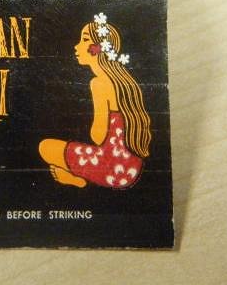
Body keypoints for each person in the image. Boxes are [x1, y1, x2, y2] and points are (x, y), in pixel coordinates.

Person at [39, 14, 151, 188]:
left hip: (111, 169)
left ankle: (77, 180)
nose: (77, 46)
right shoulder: (125, 82)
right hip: (132, 168)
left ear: (98, 47)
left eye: (84, 40)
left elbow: (98, 137)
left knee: (45, 147)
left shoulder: (99, 83)